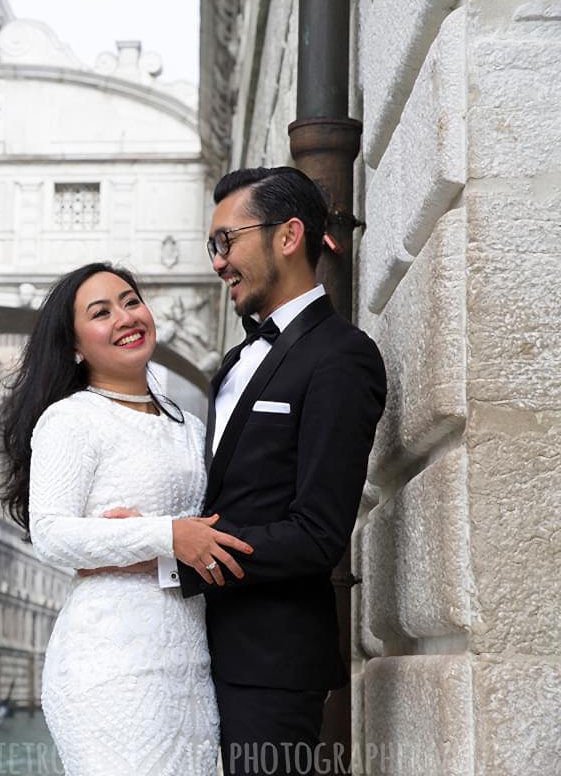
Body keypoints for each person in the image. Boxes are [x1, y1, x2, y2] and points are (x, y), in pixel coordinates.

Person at [0, 262, 254, 775]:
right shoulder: (72, 418)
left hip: (190, 661)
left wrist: (155, 542)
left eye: (130, 301)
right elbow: (51, 533)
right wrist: (163, 533)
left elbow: (206, 535)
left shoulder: (188, 426)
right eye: (101, 312)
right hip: (110, 665)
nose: (125, 317)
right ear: (74, 345)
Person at [178, 167, 386, 775]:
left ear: (289, 235)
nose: (218, 263)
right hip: (195, 653)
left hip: (272, 669)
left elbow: (319, 532)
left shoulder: (343, 357)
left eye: (226, 241)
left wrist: (187, 552)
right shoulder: (237, 360)